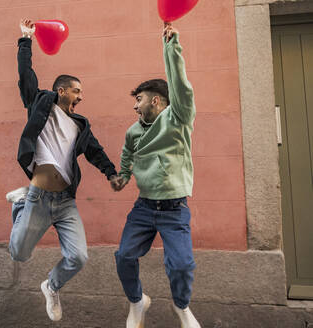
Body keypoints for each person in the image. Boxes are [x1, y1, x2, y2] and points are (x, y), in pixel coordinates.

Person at [6, 19, 121, 322]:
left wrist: (111, 173)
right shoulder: (40, 102)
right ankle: (20, 202)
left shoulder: (81, 125)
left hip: (65, 201)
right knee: (18, 253)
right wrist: (25, 40)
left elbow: (95, 151)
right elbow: (25, 76)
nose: (81, 97)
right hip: (39, 197)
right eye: (77, 90)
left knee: (78, 257)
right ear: (61, 90)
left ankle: (51, 285)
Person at [113, 23, 201, 328]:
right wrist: (122, 175)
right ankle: (137, 302)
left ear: (155, 101)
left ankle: (182, 306)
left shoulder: (177, 118)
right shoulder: (133, 132)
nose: (135, 106)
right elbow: (127, 154)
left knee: (182, 266)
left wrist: (171, 46)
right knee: (123, 256)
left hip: (175, 210)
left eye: (139, 99)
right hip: (144, 207)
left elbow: (180, 86)